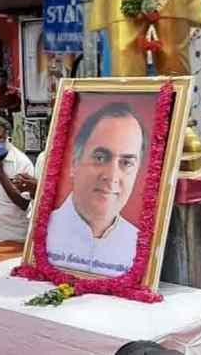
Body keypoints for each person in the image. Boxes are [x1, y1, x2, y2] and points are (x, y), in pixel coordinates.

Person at [47, 103, 145, 277]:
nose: (112, 175)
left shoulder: (142, 245)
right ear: (74, 163)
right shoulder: (43, 234)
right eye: (100, 158)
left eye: (126, 163)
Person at [0, 118, 35, 242]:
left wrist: (0, 172)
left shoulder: (22, 163)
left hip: (11, 236)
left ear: (7, 138)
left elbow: (24, 204)